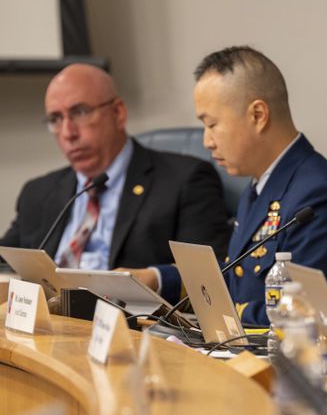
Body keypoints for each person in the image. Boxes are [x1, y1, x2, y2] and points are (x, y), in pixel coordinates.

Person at [154, 46, 327, 326]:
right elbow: (237, 277)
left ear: (258, 115)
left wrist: (218, 311)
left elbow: (301, 311)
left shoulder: (317, 196)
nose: (207, 141)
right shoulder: (261, 186)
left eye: (212, 124)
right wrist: (157, 278)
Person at [0, 63, 230, 271]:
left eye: (80, 112)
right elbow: (5, 261)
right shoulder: (37, 193)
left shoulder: (184, 181)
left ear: (118, 113)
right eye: (55, 119)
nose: (68, 133)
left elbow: (205, 278)